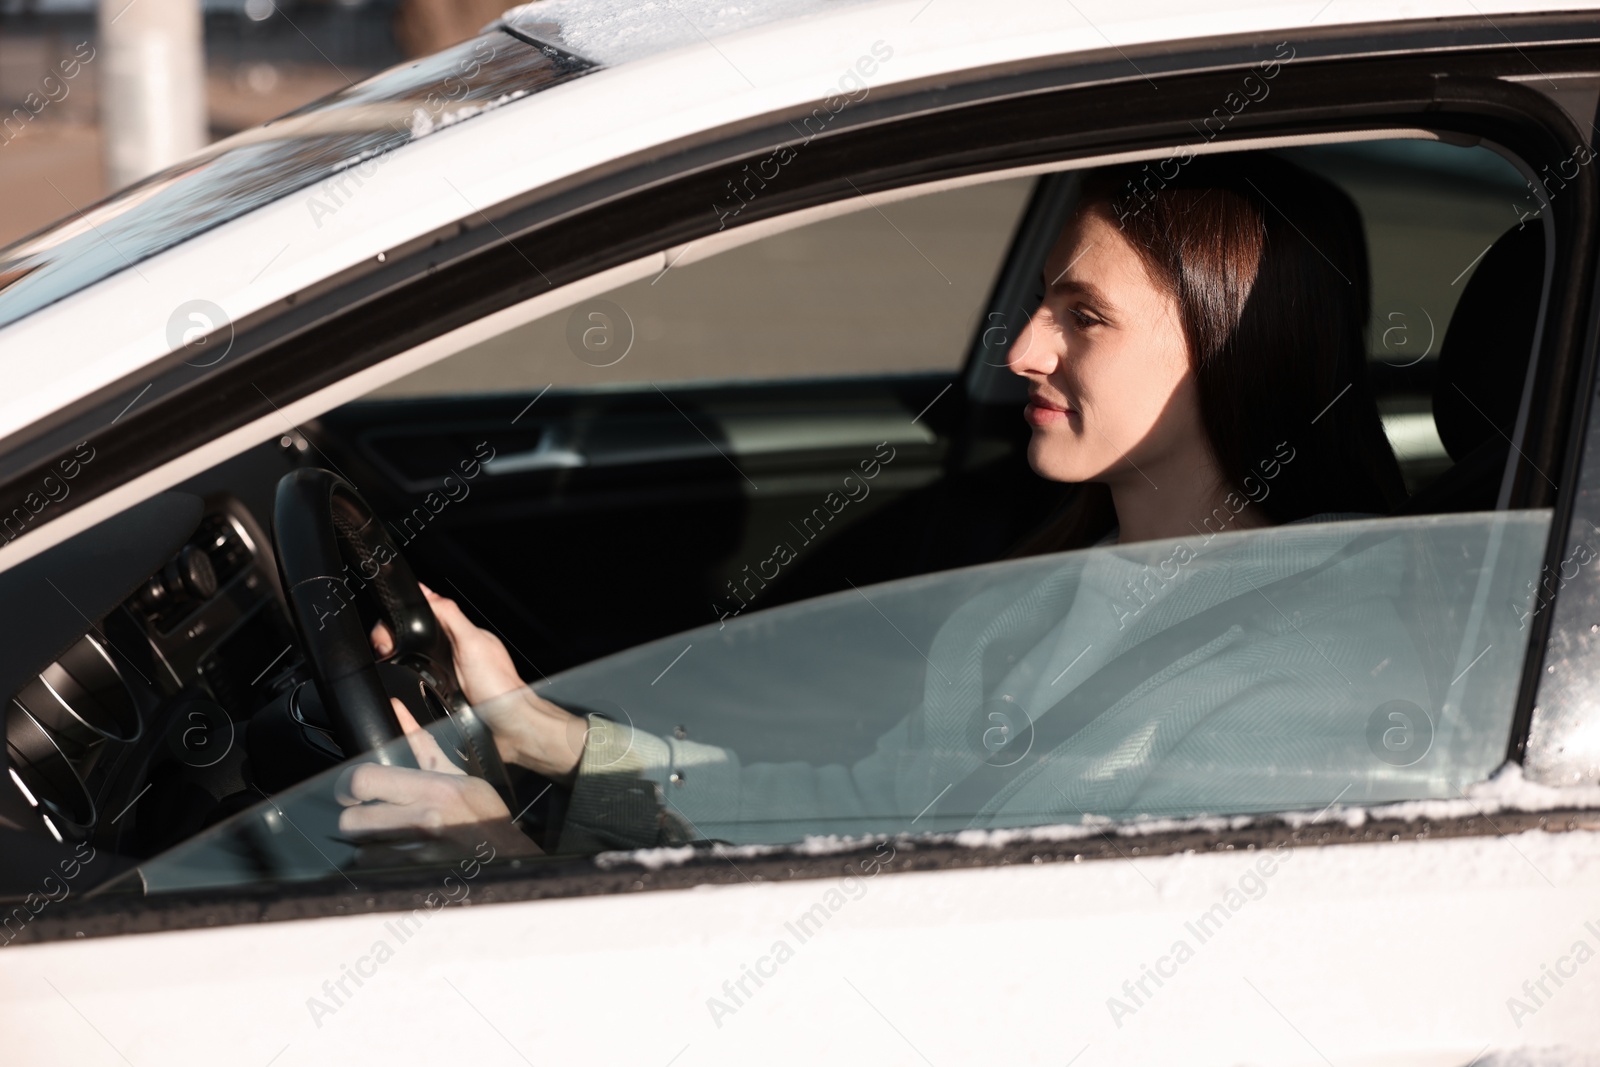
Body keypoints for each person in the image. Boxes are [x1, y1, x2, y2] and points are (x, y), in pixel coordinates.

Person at [337, 153, 1423, 853]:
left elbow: (1014, 972)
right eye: (1042, 298)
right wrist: (545, 735)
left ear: (1230, 350)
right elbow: (866, 803)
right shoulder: (1047, 597)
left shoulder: (1311, 673)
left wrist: (512, 874)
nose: (1024, 350)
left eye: (1081, 315)